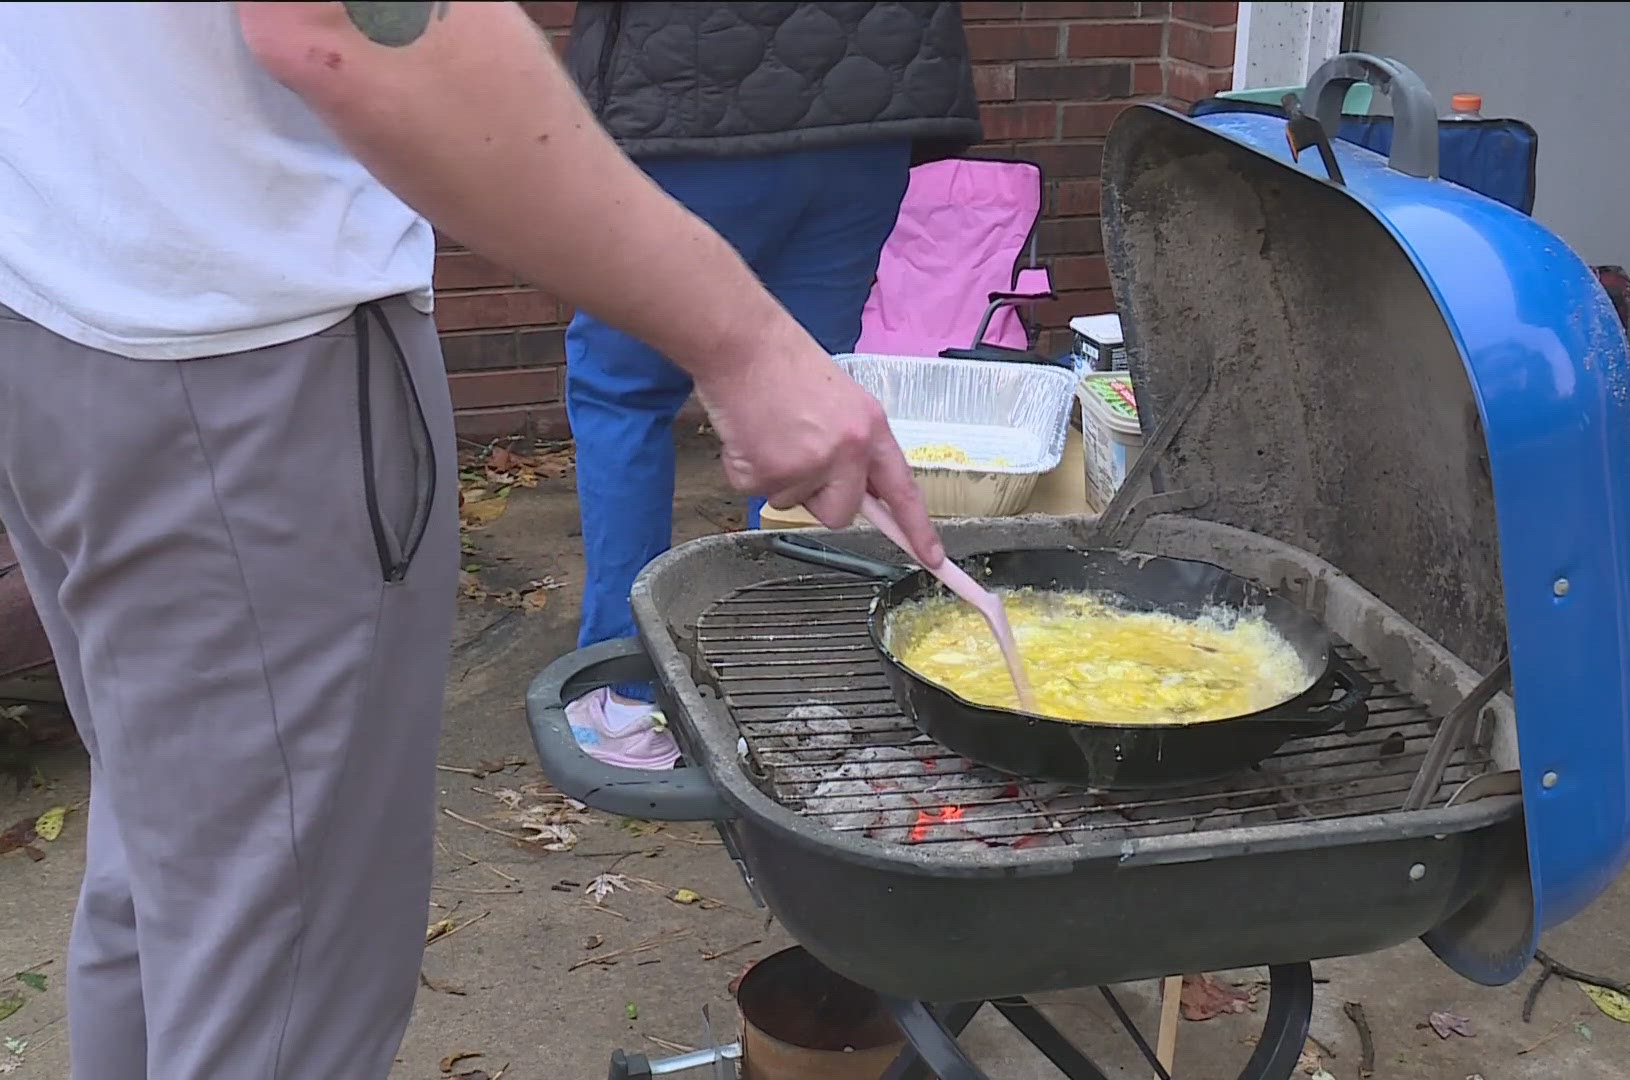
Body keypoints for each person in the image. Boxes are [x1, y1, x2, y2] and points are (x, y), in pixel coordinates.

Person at [0, 3, 942, 1077]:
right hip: (240, 364)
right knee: (282, 976)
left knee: (169, 893)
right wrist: (747, 342)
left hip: (62, 312)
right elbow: (355, 32)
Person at [558, 1, 980, 766]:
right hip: (868, 109)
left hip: (691, 101)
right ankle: (781, 685)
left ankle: (625, 691)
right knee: (808, 400)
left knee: (624, 392)